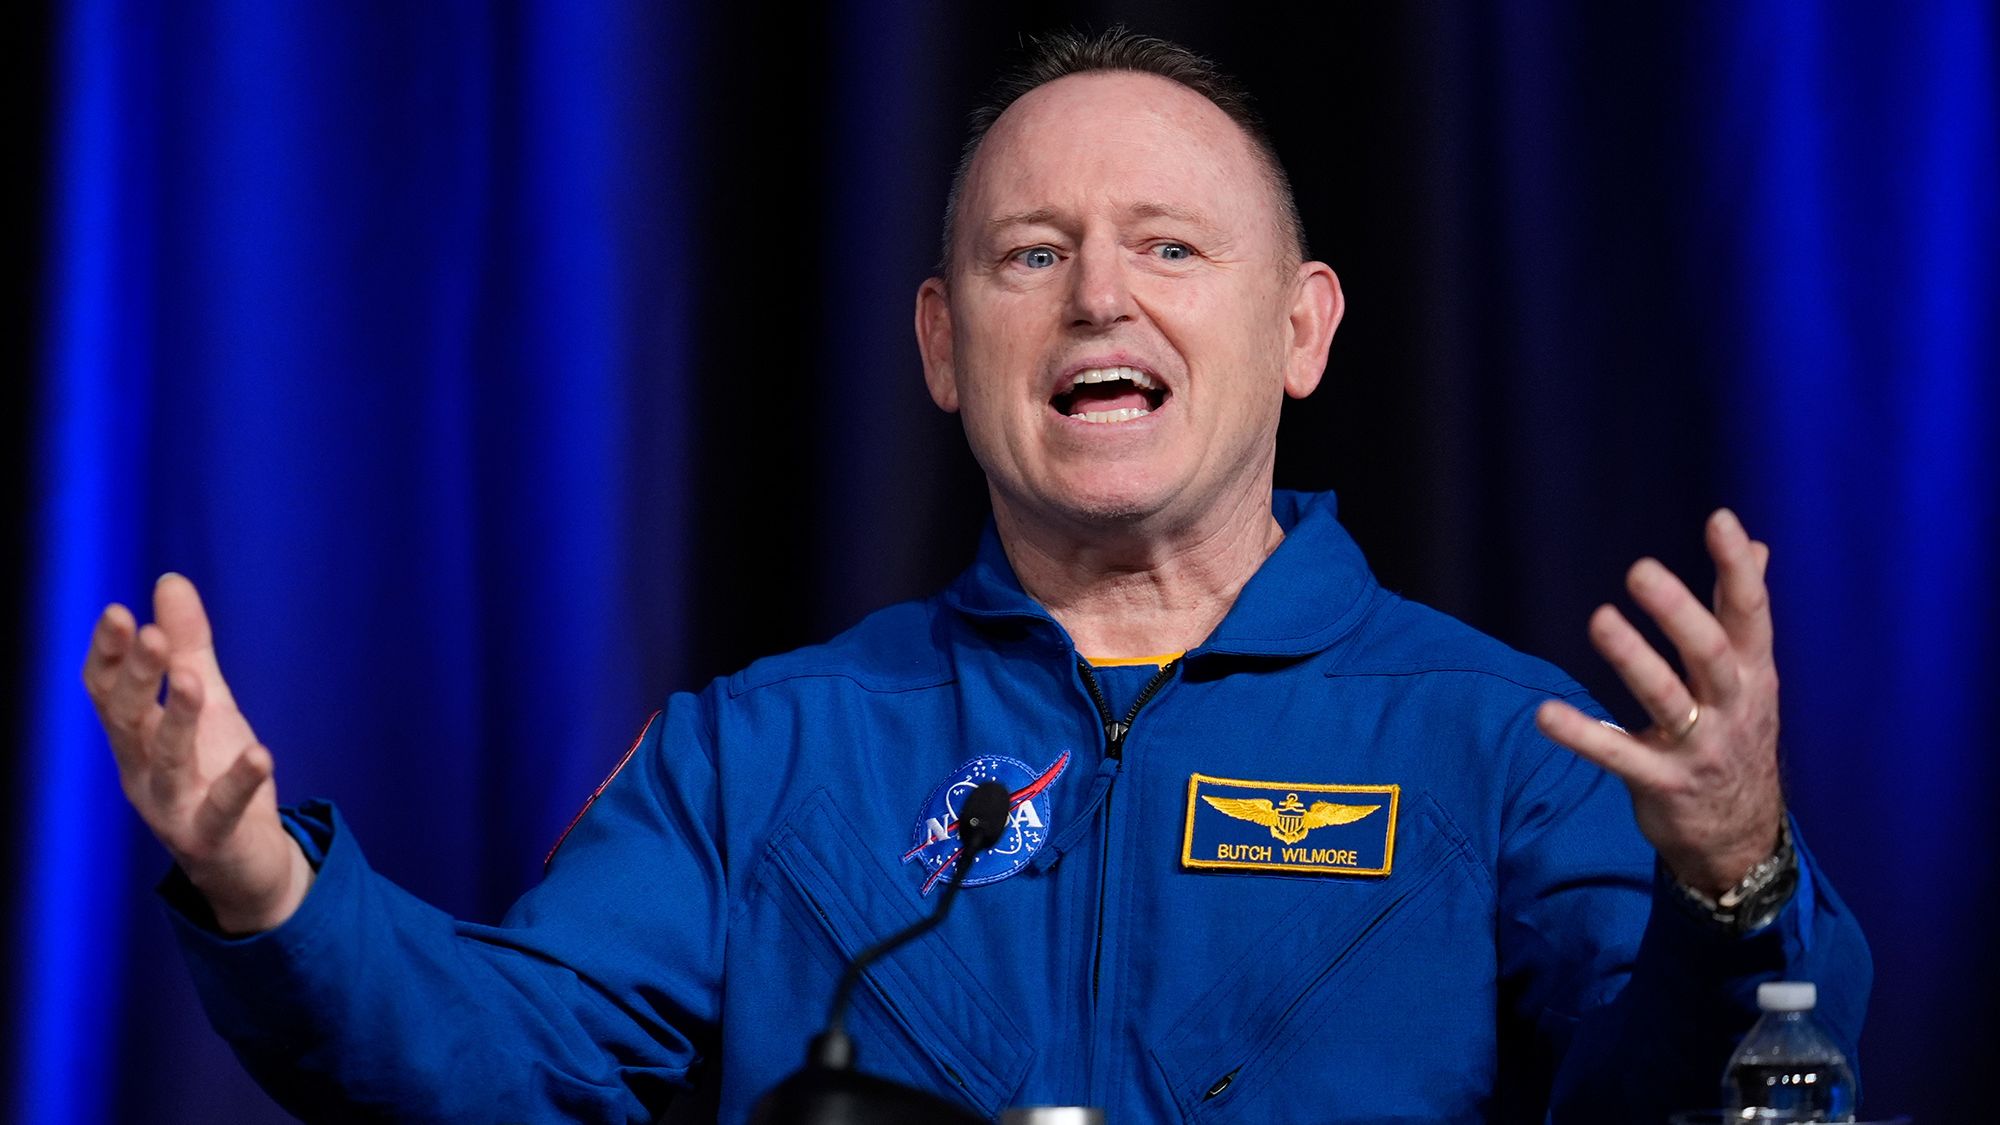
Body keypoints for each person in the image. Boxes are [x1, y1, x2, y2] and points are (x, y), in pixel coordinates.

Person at [82, 28, 1868, 1124]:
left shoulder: (1505, 739)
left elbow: (1708, 1105)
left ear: (1303, 329)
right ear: (944, 344)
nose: (1102, 295)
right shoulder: (761, 753)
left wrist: (1735, 886)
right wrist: (260, 882)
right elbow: (506, 1069)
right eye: (1034, 252)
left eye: (1171, 245)